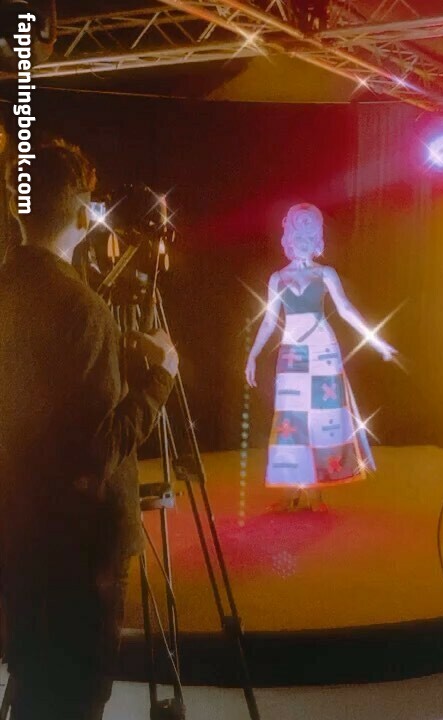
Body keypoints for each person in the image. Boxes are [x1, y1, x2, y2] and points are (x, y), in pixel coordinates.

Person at [0, 140, 178, 720]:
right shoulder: (83, 310)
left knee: (33, 689)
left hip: (19, 540)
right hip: (80, 559)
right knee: (74, 700)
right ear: (81, 214)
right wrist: (160, 379)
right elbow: (96, 451)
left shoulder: (8, 290)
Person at [245, 203, 396, 510]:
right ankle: (291, 489)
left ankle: (316, 491)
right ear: (289, 239)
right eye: (297, 236)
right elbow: (269, 320)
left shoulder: (325, 273)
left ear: (315, 239)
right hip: (292, 354)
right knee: (290, 421)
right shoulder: (278, 278)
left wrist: (376, 341)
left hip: (323, 351)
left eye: (308, 236)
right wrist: (253, 354)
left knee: (323, 421)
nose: (303, 242)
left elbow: (346, 309)